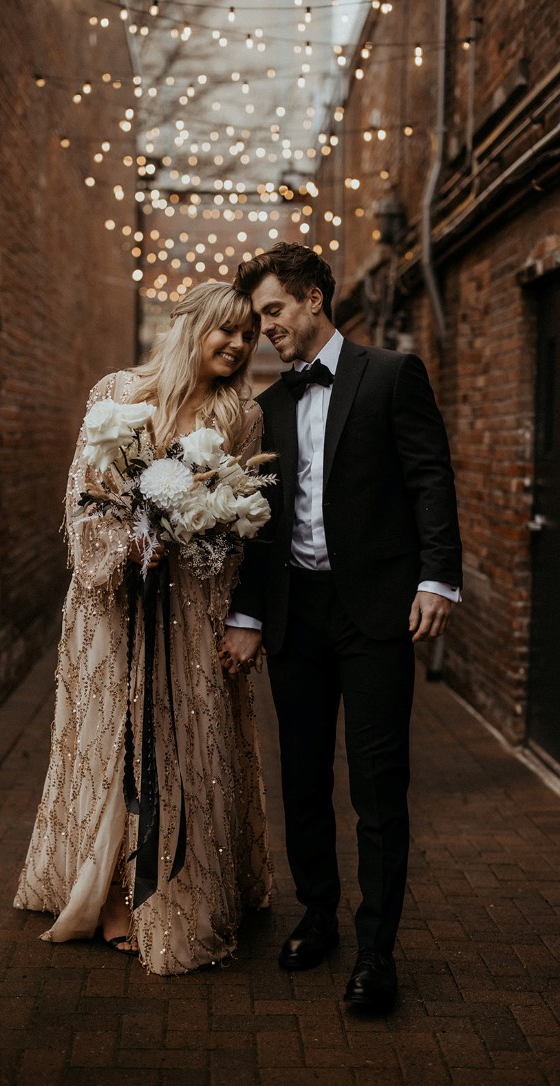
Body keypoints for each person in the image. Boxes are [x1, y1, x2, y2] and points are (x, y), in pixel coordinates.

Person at [220, 242, 462, 1012]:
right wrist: (249, 614)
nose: (265, 329)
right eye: (259, 317)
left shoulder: (390, 375)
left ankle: (377, 951)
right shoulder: (269, 407)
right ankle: (317, 914)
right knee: (302, 776)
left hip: (376, 611)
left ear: (314, 298)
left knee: (378, 784)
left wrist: (436, 578)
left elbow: (430, 478)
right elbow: (260, 525)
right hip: (297, 615)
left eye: (273, 311)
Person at [15, 282, 272, 975]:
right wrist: (130, 543)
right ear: (190, 326)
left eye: (249, 335)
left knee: (181, 741)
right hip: (112, 605)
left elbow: (241, 525)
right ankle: (111, 892)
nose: (239, 345)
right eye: (226, 330)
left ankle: (175, 887)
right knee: (113, 737)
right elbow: (82, 501)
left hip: (190, 607)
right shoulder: (117, 394)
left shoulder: (241, 414)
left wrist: (193, 533)